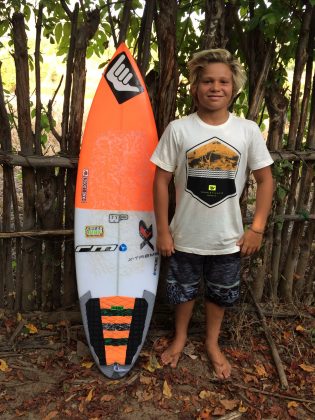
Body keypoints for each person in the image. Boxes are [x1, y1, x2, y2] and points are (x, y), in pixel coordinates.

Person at [150, 49, 274, 379]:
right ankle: (179, 338)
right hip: (185, 235)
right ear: (194, 87)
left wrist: (257, 228)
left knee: (219, 294)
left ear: (234, 89)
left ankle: (212, 343)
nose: (215, 87)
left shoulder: (246, 131)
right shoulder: (178, 129)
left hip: (228, 239)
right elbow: (161, 181)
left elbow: (265, 180)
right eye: (207, 80)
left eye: (223, 81)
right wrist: (162, 229)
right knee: (183, 290)